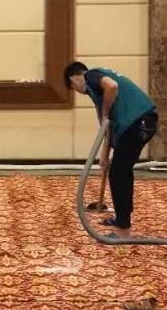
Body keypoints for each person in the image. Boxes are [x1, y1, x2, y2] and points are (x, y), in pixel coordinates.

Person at [64, 61, 158, 238]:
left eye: (73, 88)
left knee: (118, 173)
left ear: (73, 80)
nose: (79, 92)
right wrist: (105, 155)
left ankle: (123, 230)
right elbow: (108, 126)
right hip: (140, 123)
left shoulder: (90, 76)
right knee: (122, 171)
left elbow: (112, 87)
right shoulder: (98, 90)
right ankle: (122, 219)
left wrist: (105, 112)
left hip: (139, 123)